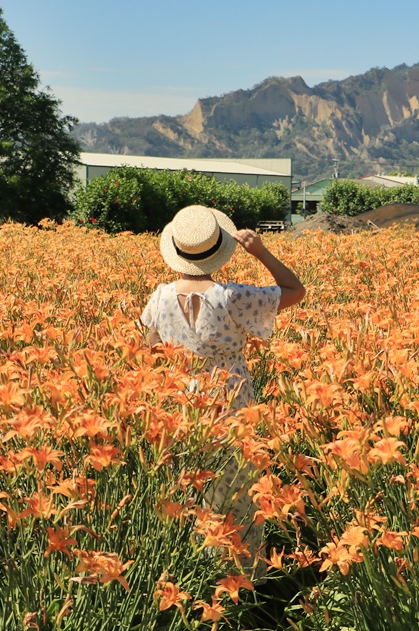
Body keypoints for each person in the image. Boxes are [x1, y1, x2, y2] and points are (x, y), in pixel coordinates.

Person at [140, 204, 305, 576]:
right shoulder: (233, 296)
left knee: (193, 484)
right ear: (217, 251)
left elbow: (146, 350)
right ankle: (242, 575)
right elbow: (296, 289)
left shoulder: (160, 296)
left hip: (183, 400)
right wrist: (261, 252)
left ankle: (197, 571)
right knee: (238, 486)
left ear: (177, 251)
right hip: (232, 399)